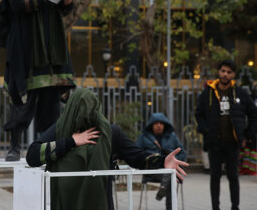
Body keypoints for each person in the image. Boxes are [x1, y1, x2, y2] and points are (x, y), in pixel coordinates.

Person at [26, 88, 189, 210]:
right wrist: (71, 141)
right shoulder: (60, 130)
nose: (84, 114)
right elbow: (32, 156)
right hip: (66, 204)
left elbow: (137, 157)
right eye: (79, 109)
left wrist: (162, 162)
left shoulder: (109, 133)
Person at [2, 0, 77, 161]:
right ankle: (15, 147)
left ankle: (48, 146)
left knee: (51, 101)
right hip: (27, 45)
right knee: (23, 100)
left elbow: (62, 9)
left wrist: (68, 1)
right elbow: (16, 3)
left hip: (52, 47)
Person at [196, 59, 257, 210]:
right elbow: (199, 114)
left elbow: (253, 114)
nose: (225, 74)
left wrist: (248, 134)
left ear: (233, 74)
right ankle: (215, 207)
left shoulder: (241, 93)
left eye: (228, 72)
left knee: (233, 177)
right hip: (214, 142)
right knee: (215, 177)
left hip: (233, 142)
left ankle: (235, 207)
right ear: (219, 71)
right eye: (223, 71)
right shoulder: (208, 92)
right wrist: (205, 130)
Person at [135, 112, 186, 210]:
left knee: (170, 173)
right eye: (156, 123)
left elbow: (182, 153)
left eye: (161, 123)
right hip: (151, 170)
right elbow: (136, 154)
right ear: (151, 125)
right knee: (171, 176)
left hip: (169, 171)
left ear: (165, 125)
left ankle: (163, 188)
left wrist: (174, 160)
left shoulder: (172, 137)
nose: (159, 125)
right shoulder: (143, 137)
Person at [238, 85, 257, 175]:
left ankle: (251, 169)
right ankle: (245, 168)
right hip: (250, 127)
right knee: (248, 148)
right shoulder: (251, 99)